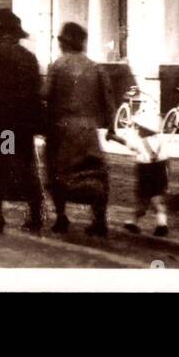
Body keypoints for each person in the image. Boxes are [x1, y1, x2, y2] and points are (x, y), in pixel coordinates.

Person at [43, 22, 114, 237]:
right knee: (96, 172)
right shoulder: (96, 67)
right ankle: (99, 220)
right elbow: (109, 100)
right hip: (88, 130)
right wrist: (111, 127)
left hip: (61, 129)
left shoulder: (57, 66)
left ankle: (62, 217)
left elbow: (45, 95)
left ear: (64, 42)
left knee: (57, 172)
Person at [0, 13, 45, 234]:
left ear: (4, 33)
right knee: (25, 167)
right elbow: (36, 92)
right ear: (16, 35)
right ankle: (34, 215)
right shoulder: (29, 58)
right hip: (20, 125)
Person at [109, 107, 171, 237]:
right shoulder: (161, 140)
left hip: (145, 172)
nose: (137, 130)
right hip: (160, 171)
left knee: (142, 200)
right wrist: (168, 177)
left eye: (139, 127)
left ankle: (134, 221)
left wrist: (112, 136)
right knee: (158, 199)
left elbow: (124, 141)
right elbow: (167, 161)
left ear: (145, 129)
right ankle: (161, 223)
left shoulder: (138, 141)